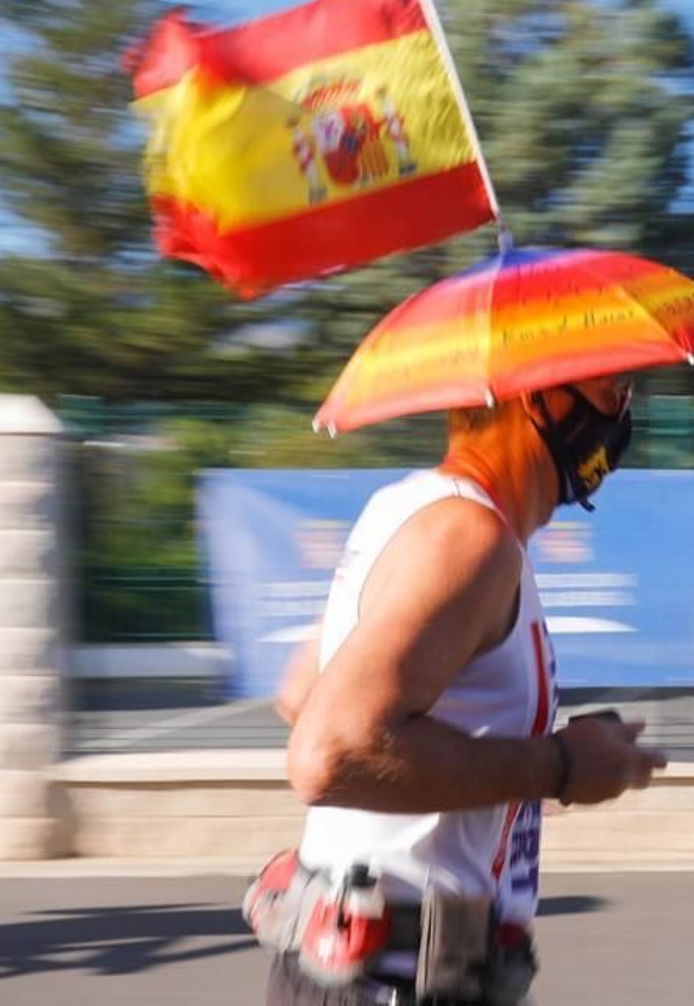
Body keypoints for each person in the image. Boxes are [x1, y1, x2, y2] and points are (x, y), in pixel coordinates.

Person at [257, 376, 665, 1005]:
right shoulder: (466, 536)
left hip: (396, 965)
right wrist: (560, 765)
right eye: (610, 389)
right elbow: (329, 753)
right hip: (391, 976)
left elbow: (301, 691)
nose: (622, 412)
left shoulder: (412, 507)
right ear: (536, 398)